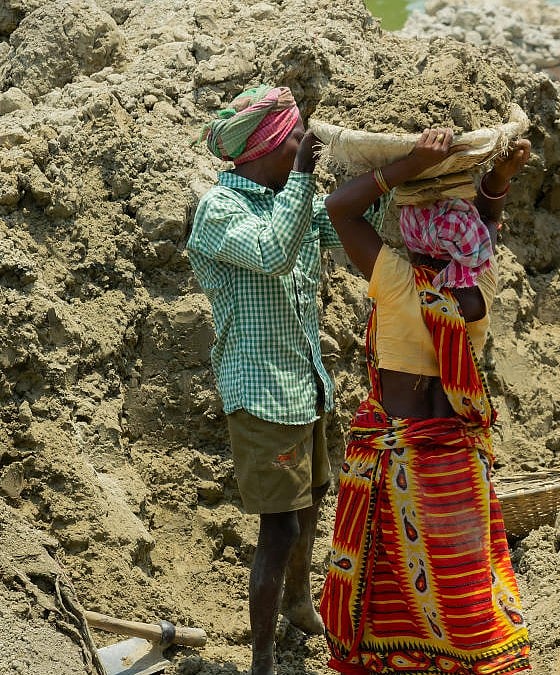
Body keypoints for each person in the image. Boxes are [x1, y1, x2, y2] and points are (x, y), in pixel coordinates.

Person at [318, 127, 534, 675]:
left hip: (404, 470)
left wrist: (409, 163)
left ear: (413, 236)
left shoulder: (395, 280)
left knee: (393, 591)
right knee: (464, 590)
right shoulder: (477, 288)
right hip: (458, 464)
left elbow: (340, 209)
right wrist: (497, 182)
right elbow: (483, 232)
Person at [188, 85, 364, 675]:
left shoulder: (295, 199)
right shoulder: (221, 209)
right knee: (280, 529)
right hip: (260, 395)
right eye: (297, 138)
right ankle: (262, 656)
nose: (304, 145)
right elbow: (270, 254)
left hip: (304, 386)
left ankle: (297, 606)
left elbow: (349, 230)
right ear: (269, 146)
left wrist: (387, 179)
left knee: (310, 505)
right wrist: (305, 181)